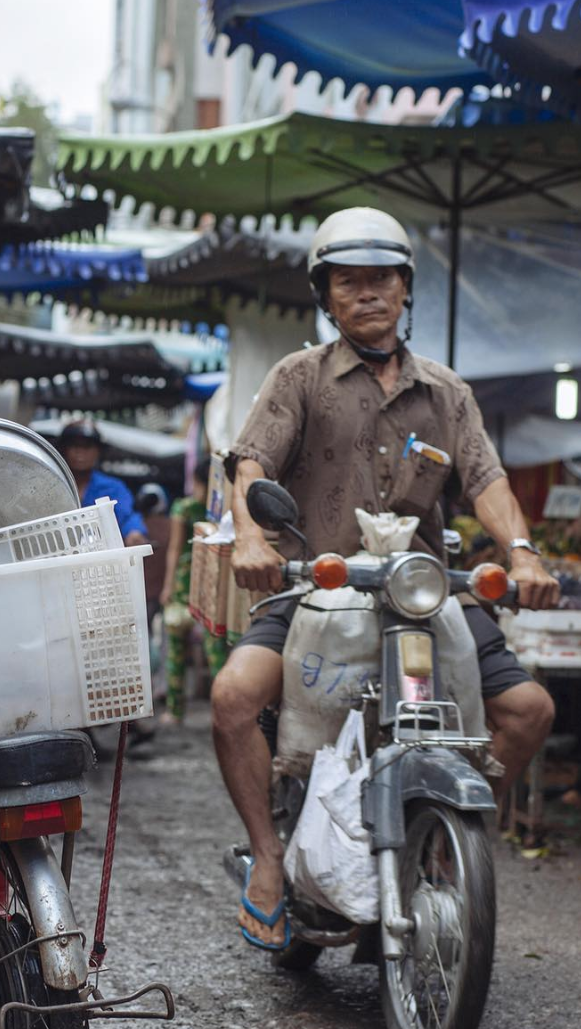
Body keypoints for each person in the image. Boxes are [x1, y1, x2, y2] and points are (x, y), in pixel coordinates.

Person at [211, 206, 559, 950]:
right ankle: (269, 857)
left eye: (382, 280)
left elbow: (487, 478)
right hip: (317, 587)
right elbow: (251, 465)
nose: (368, 294)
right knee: (234, 697)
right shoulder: (298, 377)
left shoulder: (447, 392)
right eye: (349, 283)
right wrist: (249, 535)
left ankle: (447, 841)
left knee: (529, 711)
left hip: (421, 595)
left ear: (406, 290)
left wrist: (523, 550)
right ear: (326, 296)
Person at [158, 457, 227, 725]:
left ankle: (180, 712)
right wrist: (167, 586)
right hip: (201, 586)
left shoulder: (186, 508)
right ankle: (205, 711)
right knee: (209, 651)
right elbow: (175, 548)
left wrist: (168, 584)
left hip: (195, 585)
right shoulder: (214, 513)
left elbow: (175, 549)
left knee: (187, 650)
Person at [58, 420, 148, 546]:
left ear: (98, 451)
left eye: (87, 446)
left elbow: (128, 517)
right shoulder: (52, 484)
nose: (80, 452)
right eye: (74, 445)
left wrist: (134, 533)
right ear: (64, 449)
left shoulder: (113, 488)